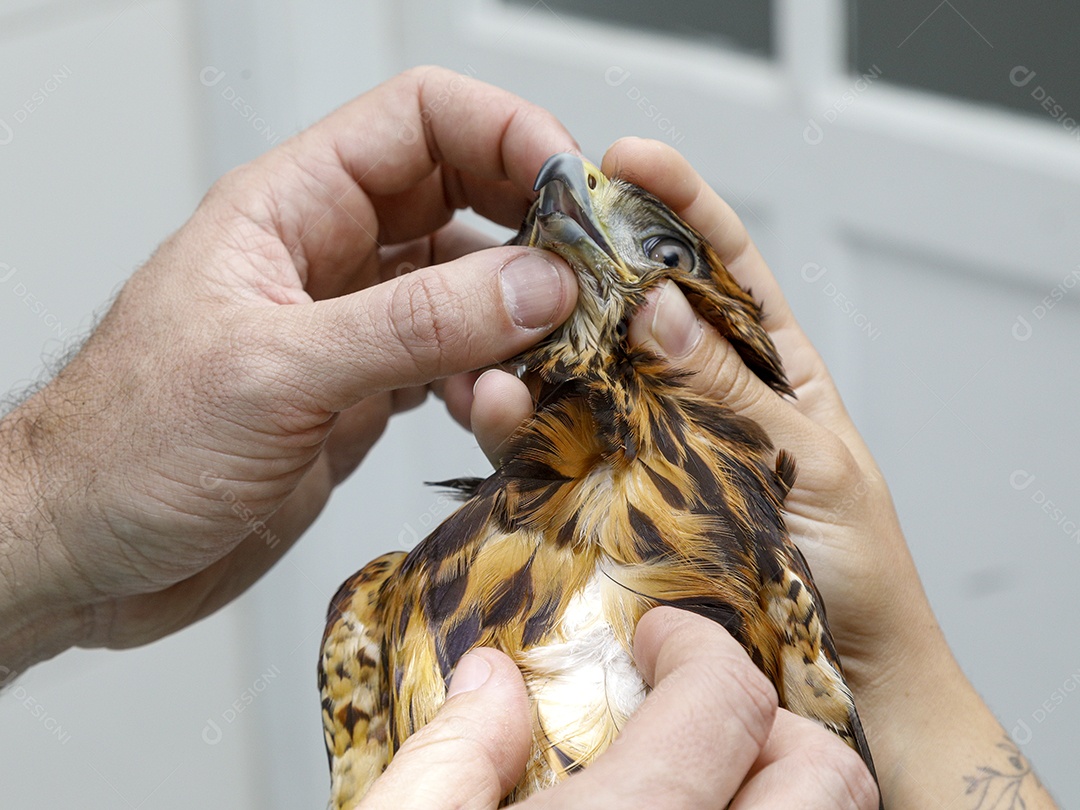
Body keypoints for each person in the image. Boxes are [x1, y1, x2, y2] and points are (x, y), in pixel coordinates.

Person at [0, 66, 1053, 809]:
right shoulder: (381, 616)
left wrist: (895, 661)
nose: (565, 206)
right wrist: (43, 514)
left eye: (656, 242)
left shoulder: (780, 590)